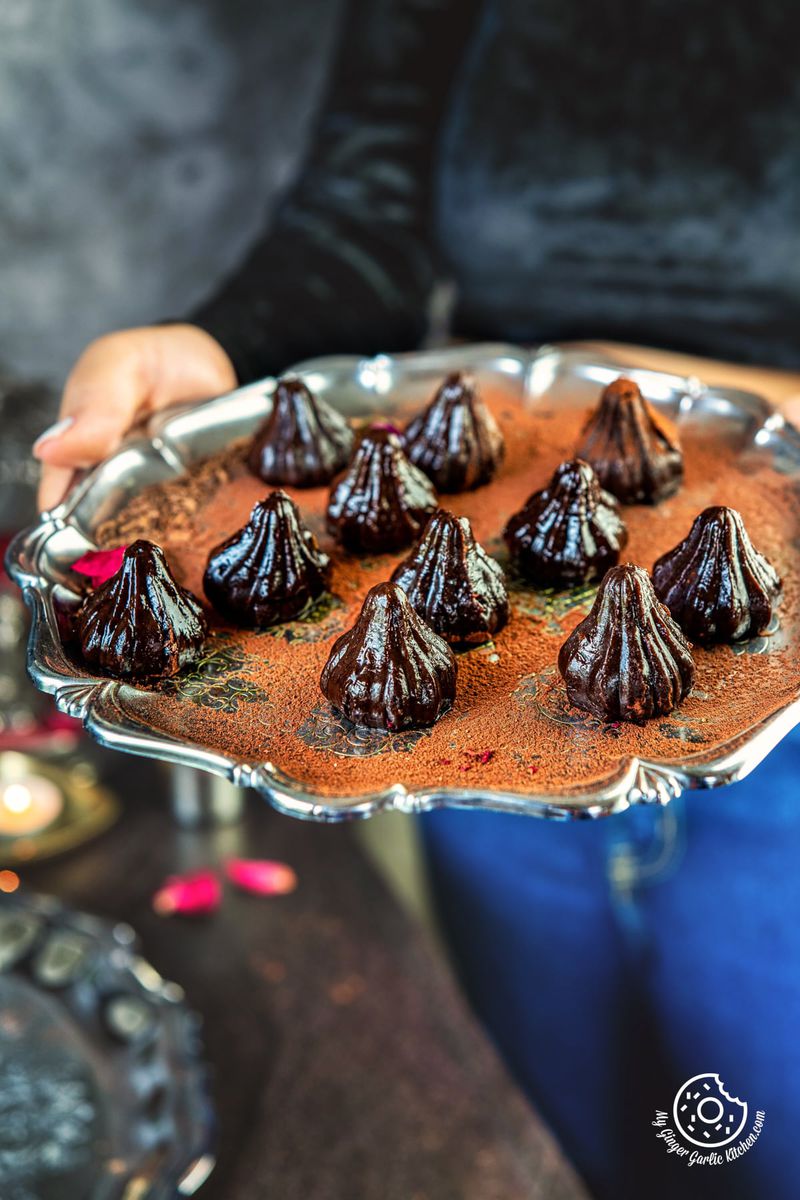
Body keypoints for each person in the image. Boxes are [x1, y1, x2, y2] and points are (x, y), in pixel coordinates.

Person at [33, 2, 800, 1196]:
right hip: (494, 725)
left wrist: (674, 386)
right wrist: (217, 352)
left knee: (751, 1150)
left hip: (783, 741)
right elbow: (367, 215)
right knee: (552, 1140)